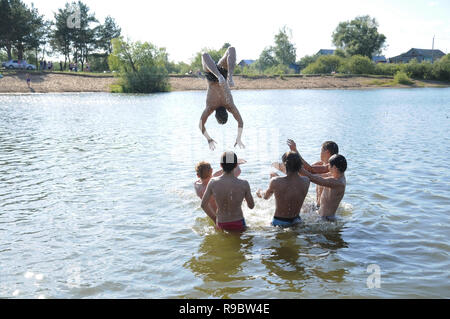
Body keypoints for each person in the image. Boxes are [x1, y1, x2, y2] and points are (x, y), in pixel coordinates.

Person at [198, 46, 245, 151]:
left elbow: (240, 122)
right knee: (205, 55)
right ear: (214, 115)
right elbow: (200, 125)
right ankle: (228, 77)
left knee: (231, 49)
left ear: (227, 113)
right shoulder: (212, 107)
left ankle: (228, 77)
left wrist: (239, 137)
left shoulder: (229, 106)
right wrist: (208, 139)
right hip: (215, 75)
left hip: (217, 73)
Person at [273, 139, 339, 207]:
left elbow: (309, 170)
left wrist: (295, 151)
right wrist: (288, 169)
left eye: (321, 150)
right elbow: (306, 171)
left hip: (324, 209)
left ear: (327, 152)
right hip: (318, 206)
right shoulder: (320, 163)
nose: (320, 153)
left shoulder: (331, 168)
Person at [201, 152, 254, 232]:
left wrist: (215, 219)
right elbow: (251, 206)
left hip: (221, 223)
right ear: (236, 165)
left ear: (221, 165)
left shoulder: (213, 182)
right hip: (238, 222)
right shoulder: (244, 183)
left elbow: (203, 205)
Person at [257, 151, 310, 227]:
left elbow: (266, 197)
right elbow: (292, 182)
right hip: (297, 221)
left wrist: (260, 192)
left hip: (280, 222)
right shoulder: (306, 181)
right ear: (299, 165)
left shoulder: (275, 181)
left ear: (285, 165)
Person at [300, 154, 347, 222]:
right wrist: (303, 173)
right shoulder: (336, 175)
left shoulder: (338, 182)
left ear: (334, 167)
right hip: (321, 215)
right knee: (303, 206)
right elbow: (316, 176)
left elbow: (315, 179)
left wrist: (299, 169)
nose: (327, 167)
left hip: (326, 219)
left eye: (329, 165)